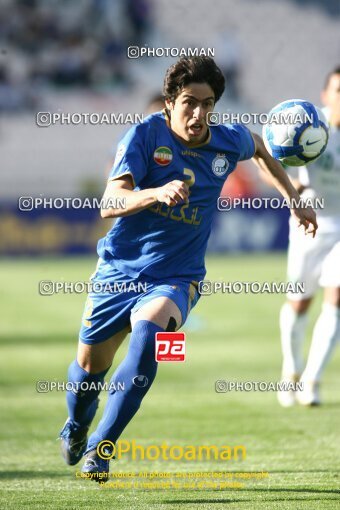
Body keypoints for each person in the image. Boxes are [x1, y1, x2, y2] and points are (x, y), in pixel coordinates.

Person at [59, 56, 317, 481]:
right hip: (119, 271)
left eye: (208, 104)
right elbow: (109, 203)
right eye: (189, 102)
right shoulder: (143, 136)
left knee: (149, 336)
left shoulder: (225, 140)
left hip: (178, 277)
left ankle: (100, 449)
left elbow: (258, 146)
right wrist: (155, 193)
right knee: (89, 370)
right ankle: (77, 426)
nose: (199, 114)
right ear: (168, 102)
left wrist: (293, 197)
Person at [277, 66, 340, 407]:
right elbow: (283, 170)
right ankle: (291, 370)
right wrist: (294, 191)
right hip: (309, 226)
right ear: (325, 95)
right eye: (339, 90)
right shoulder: (310, 129)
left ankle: (312, 380)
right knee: (299, 304)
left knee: (337, 298)